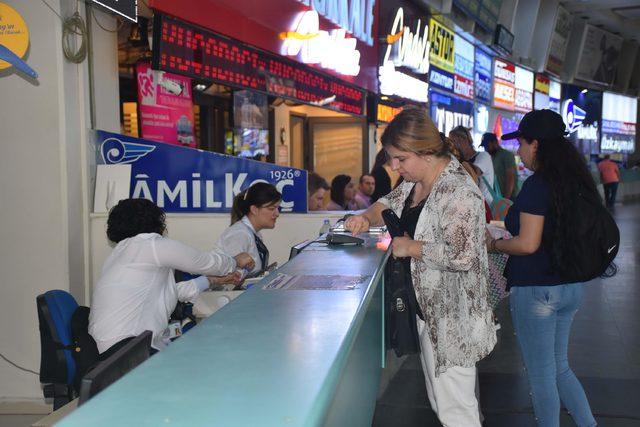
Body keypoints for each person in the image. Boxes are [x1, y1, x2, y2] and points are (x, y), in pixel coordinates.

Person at [345, 108, 496, 426]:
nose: (395, 166)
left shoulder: (458, 192)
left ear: (426, 152)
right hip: (429, 310)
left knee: (457, 412)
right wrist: (365, 217)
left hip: (452, 317)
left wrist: (411, 247)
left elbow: (463, 256)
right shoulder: (417, 184)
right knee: (443, 402)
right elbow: (386, 202)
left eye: (401, 158)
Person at [486, 109, 598, 427]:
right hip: (569, 287)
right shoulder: (577, 183)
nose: (518, 151)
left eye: (521, 143)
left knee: (541, 376)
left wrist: (492, 244)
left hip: (537, 291)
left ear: (536, 144)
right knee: (559, 367)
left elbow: (527, 244)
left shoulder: (539, 185)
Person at [89, 199, 255, 358]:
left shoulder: (119, 253)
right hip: (129, 350)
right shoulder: (150, 244)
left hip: (111, 352)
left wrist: (212, 281)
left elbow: (165, 293)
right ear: (155, 221)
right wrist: (234, 261)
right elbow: (204, 262)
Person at [216, 182, 282, 278]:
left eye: (277, 208)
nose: (277, 213)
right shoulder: (238, 235)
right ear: (254, 209)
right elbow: (230, 279)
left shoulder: (254, 233)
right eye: (272, 208)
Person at [449, 126, 495, 205]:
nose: (453, 145)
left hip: (485, 206)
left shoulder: (484, 156)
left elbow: (473, 173)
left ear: (465, 140)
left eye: (454, 141)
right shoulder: (461, 160)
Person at [481, 132, 519, 200]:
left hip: (510, 198)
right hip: (498, 197)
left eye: (487, 146)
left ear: (495, 142)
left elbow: (510, 178)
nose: (485, 149)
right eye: (484, 147)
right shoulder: (490, 157)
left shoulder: (507, 155)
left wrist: (505, 200)